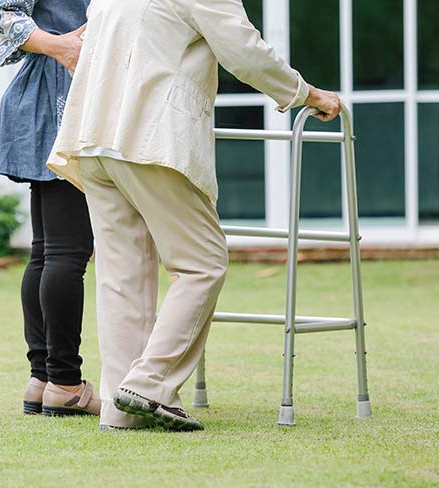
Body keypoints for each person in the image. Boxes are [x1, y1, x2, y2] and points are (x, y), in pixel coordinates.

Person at [48, 0, 341, 431]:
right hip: (148, 140)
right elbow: (244, 51)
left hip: (93, 139)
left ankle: (119, 409)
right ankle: (148, 385)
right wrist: (307, 94)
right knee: (203, 262)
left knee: (122, 275)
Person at [0, 0, 100, 417]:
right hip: (61, 99)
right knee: (66, 253)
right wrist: (64, 48)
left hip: (51, 97)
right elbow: (4, 14)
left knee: (48, 250)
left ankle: (44, 378)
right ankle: (66, 382)